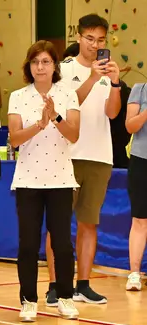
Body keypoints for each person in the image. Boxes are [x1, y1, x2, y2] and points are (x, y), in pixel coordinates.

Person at [45, 14, 121, 306]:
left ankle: (83, 284)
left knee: (89, 223)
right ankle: (54, 284)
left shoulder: (108, 72)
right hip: (66, 154)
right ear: (79, 37)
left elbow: (113, 113)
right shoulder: (64, 68)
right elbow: (65, 104)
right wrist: (92, 77)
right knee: (59, 224)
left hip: (99, 155)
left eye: (100, 40)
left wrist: (113, 84)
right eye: (90, 39)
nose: (95, 45)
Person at [8, 40, 81, 321]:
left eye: (46, 62)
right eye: (35, 62)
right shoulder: (18, 96)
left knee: (62, 242)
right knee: (27, 243)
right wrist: (39, 124)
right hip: (28, 180)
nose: (40, 66)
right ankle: (28, 300)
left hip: (61, 180)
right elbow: (14, 139)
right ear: (29, 66)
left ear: (55, 66)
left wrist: (55, 116)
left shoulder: (68, 95)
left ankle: (65, 296)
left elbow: (73, 134)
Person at [125, 83, 147, 291]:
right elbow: (130, 126)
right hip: (142, 160)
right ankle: (134, 273)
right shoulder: (139, 90)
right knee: (140, 218)